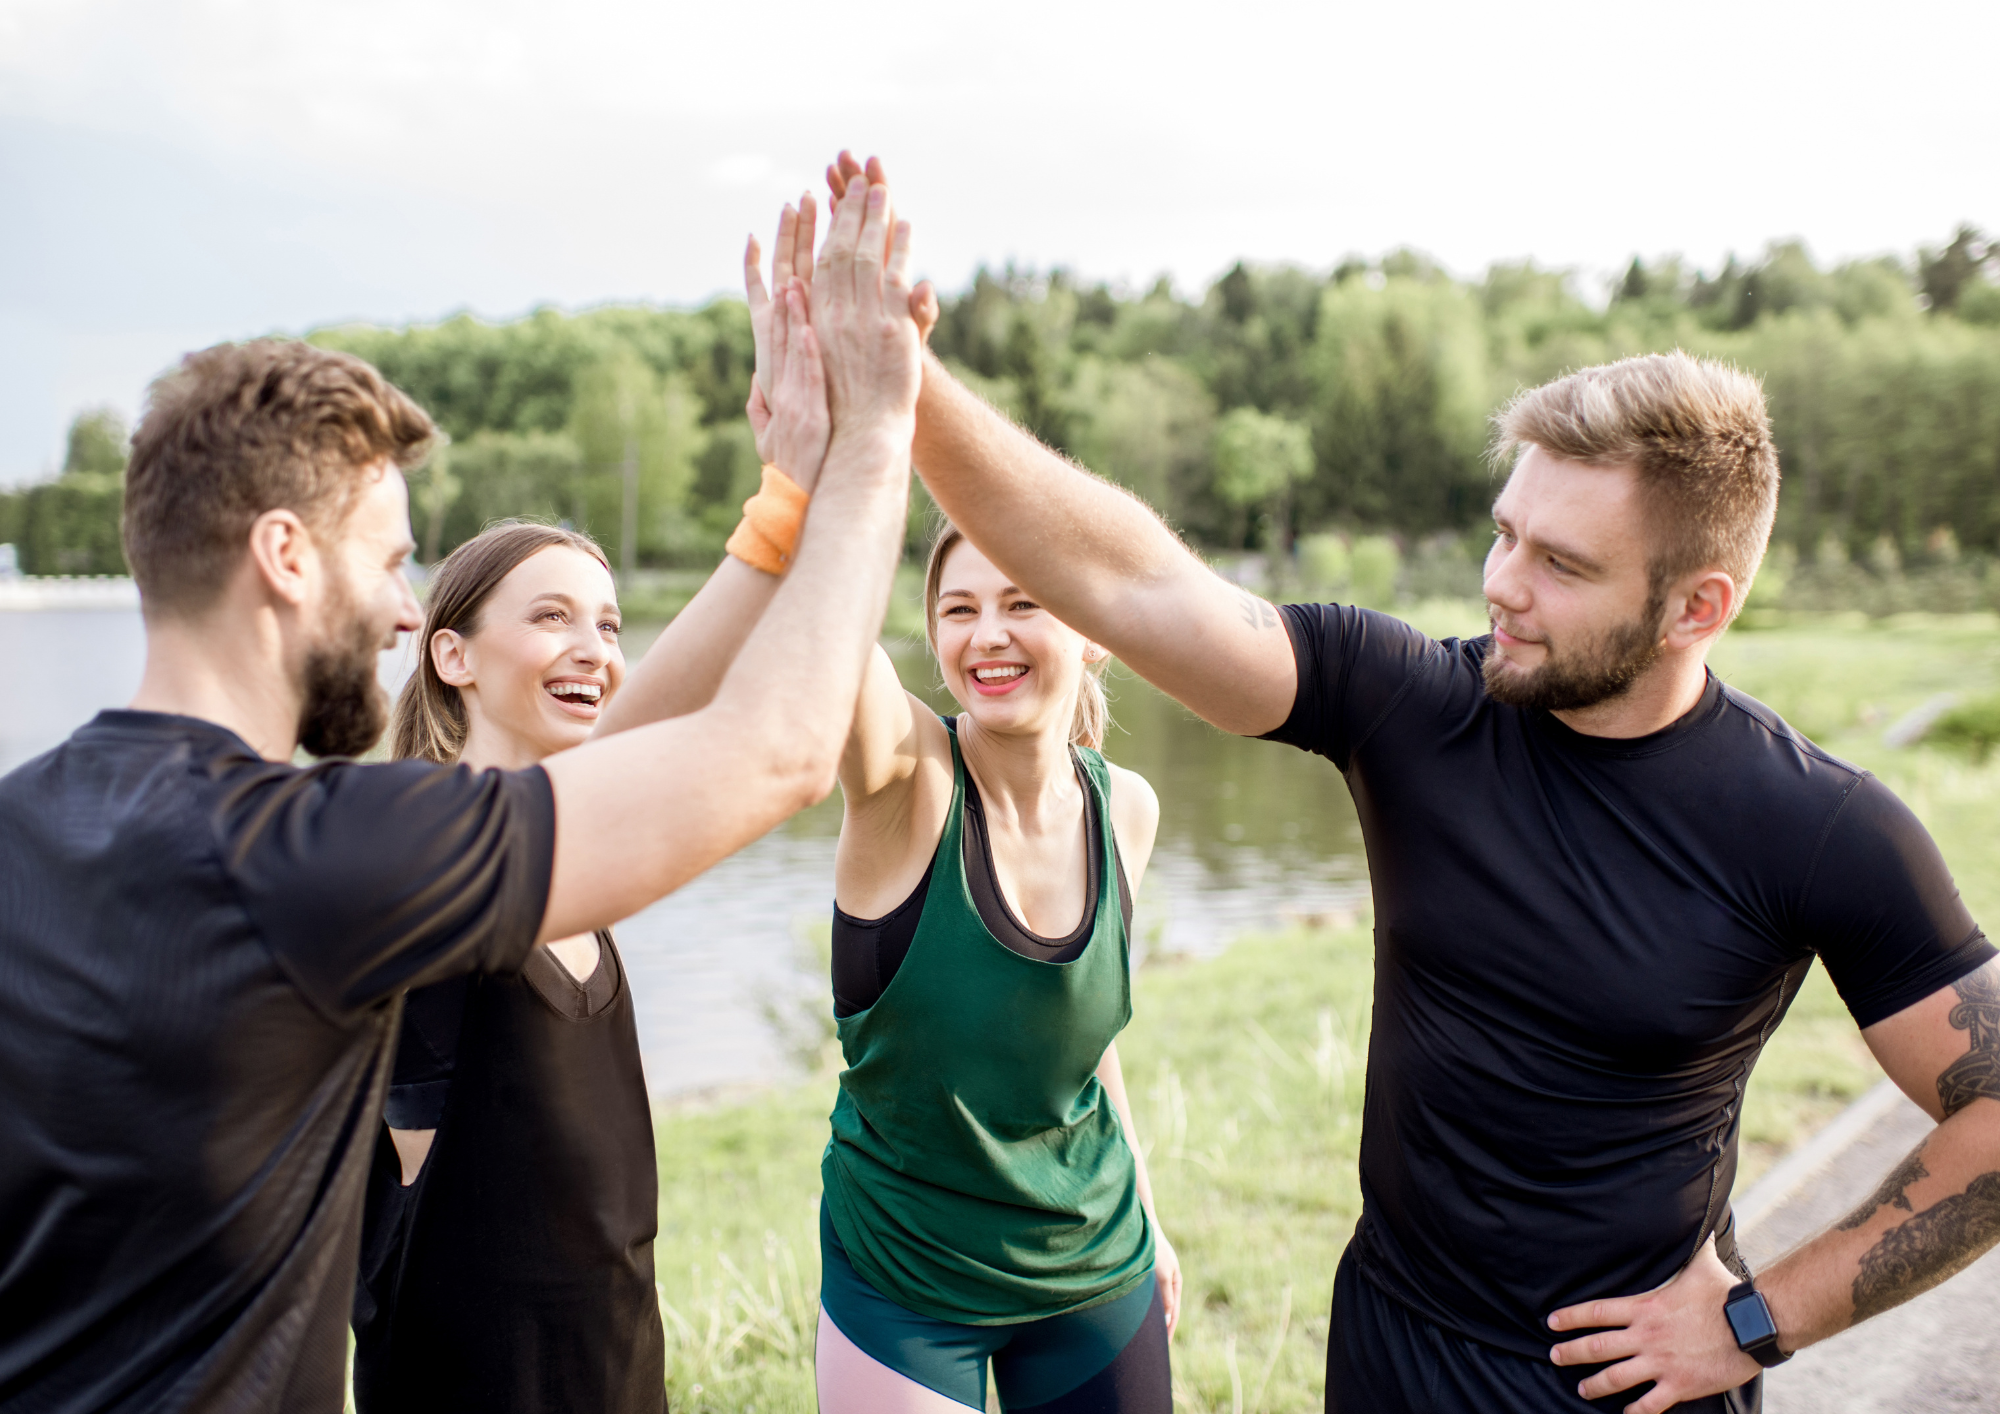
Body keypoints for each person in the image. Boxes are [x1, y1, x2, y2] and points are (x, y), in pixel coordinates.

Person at [823, 179, 2000, 1414]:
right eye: (1504, 533)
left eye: (1560, 563)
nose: (1501, 584)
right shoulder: (1414, 706)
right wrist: (905, 386)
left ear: (1694, 605)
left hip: (1619, 1391)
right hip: (1384, 1356)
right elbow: (1138, 587)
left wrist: (1760, 1318)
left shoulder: (1818, 826)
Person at [0, 170, 923, 1414]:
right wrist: (873, 443)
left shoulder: (26, 827)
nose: (396, 607)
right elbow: (777, 752)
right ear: (282, 556)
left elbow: (611, 762)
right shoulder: (310, 861)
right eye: (386, 562)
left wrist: (781, 504)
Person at [812, 521, 1178, 1414]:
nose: (988, 635)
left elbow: (1080, 1038)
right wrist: (828, 469)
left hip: (1093, 1256)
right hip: (907, 1275)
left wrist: (1152, 1219)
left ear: (1091, 629)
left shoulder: (1124, 807)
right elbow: (832, 634)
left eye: (1024, 604)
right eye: (959, 610)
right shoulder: (907, 780)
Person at [345, 522, 655, 1412]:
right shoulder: (425, 856)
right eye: (553, 617)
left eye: (609, 625)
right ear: (453, 656)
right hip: (476, 1374)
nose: (592, 650)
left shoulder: (569, 855)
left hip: (617, 1358)